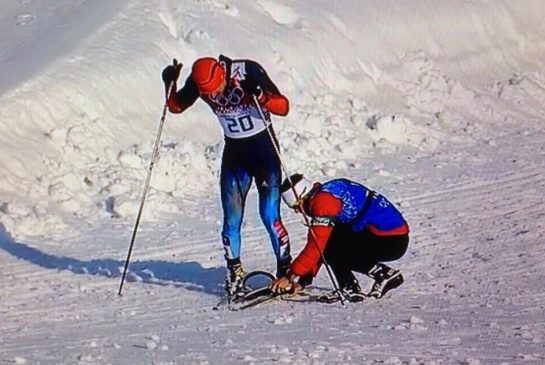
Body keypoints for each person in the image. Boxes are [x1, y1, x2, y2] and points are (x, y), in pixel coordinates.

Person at [161, 55, 292, 298]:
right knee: (231, 219)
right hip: (235, 154)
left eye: (217, 88)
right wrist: (169, 83)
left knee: (269, 214)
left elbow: (283, 107)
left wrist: (261, 96)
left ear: (222, 72)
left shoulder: (248, 70)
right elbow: (177, 106)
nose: (215, 95)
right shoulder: (199, 81)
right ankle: (234, 273)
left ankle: (285, 270)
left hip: (264, 152)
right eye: (207, 93)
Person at [269, 174, 410, 302]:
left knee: (333, 248)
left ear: (302, 198)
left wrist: (289, 276)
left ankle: (382, 274)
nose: (297, 211)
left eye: (296, 206)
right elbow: (321, 246)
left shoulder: (323, 203)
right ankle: (350, 286)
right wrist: (303, 281)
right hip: (389, 237)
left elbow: (316, 247)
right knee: (333, 241)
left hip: (391, 241)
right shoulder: (326, 193)